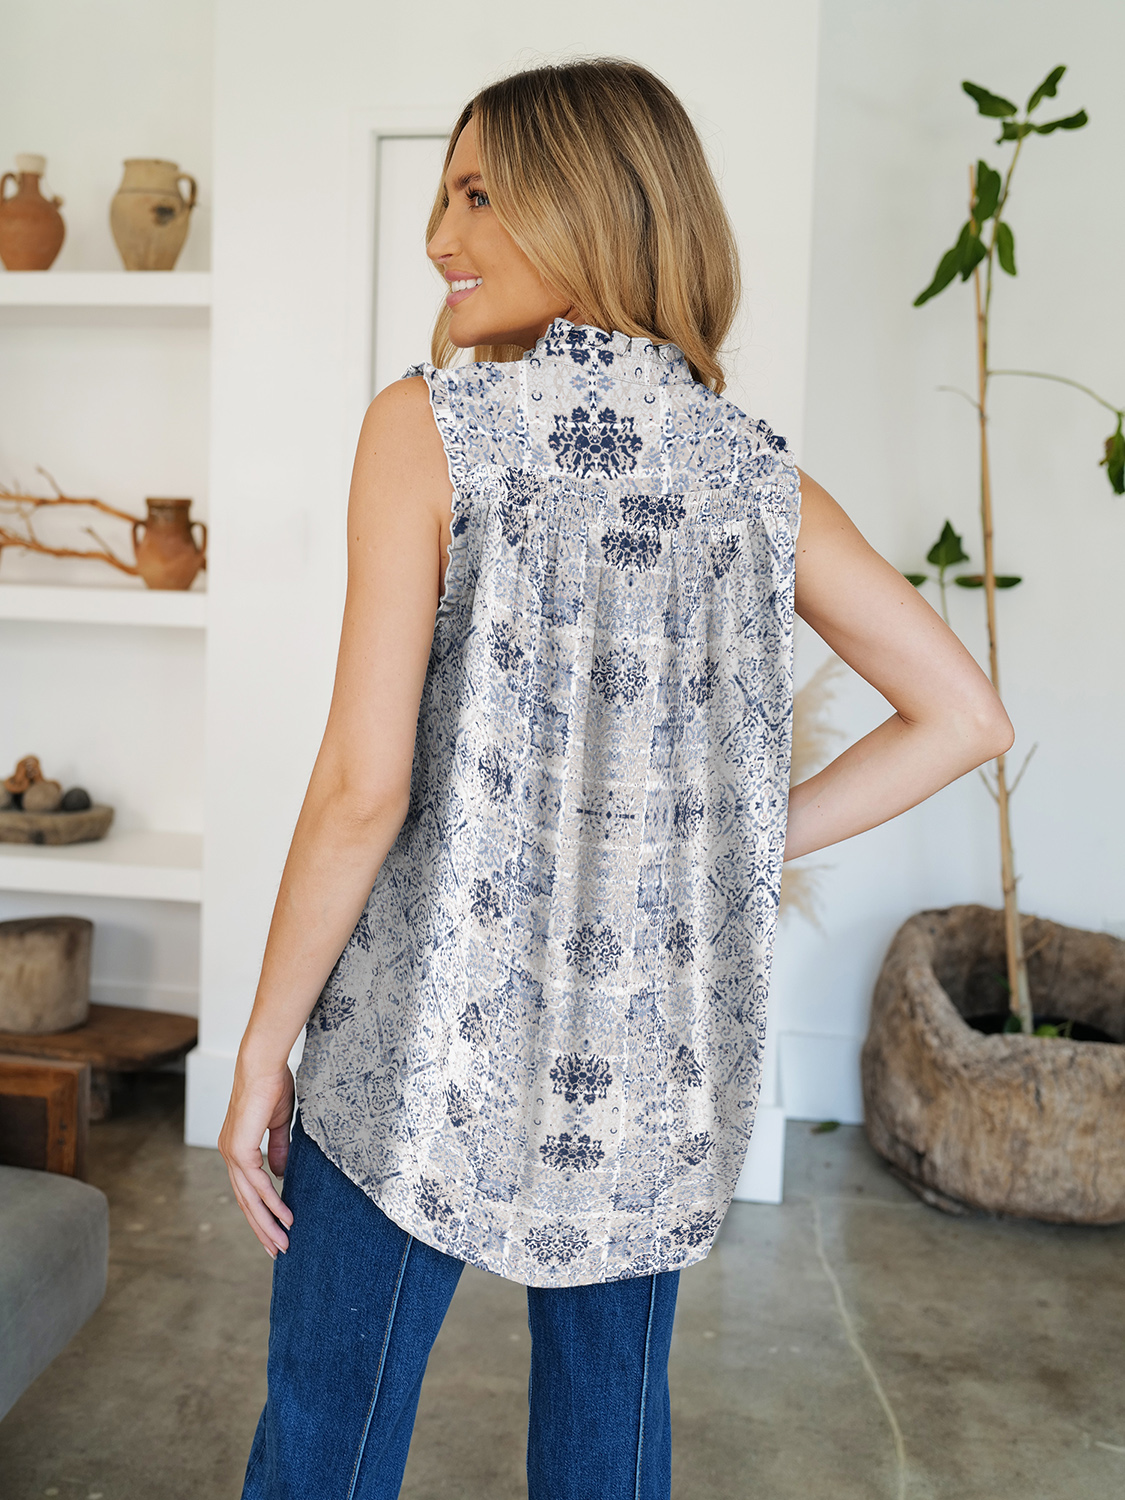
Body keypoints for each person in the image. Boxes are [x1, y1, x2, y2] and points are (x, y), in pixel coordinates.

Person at [219, 57, 1013, 1500]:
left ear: (590, 206)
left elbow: (359, 790)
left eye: (477, 195)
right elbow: (962, 715)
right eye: (441, 196)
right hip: (652, 1056)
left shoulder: (430, 428)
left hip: (415, 1038)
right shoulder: (750, 472)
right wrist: (727, 845)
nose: (438, 238)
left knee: (330, 1433)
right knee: (610, 1436)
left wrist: (264, 1042)